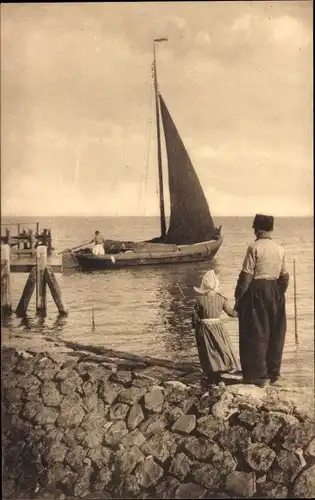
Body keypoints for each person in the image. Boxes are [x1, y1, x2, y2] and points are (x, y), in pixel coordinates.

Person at [234, 214, 289, 387]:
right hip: (276, 290)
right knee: (276, 332)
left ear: (257, 230)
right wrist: (278, 293)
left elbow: (246, 277)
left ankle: (257, 375)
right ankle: (273, 373)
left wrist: (238, 298)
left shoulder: (254, 247)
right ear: (270, 229)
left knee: (255, 331)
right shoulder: (280, 249)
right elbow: (285, 277)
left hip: (257, 290)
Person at [192, 269, 239, 385]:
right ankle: (222, 370)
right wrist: (239, 305)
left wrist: (195, 326)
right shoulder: (221, 298)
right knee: (220, 348)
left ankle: (212, 375)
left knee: (208, 350)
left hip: (204, 327)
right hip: (218, 327)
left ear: (204, 284)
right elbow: (232, 313)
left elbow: (194, 316)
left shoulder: (199, 299)